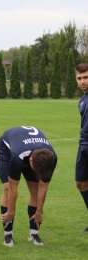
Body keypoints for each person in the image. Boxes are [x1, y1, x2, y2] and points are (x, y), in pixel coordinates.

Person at [0, 126, 57, 247]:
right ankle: (8, 235)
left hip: (30, 150)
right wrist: (11, 212)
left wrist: (39, 211)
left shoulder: (51, 158)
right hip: (7, 150)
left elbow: (43, 188)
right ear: (30, 161)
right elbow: (13, 188)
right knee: (8, 188)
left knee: (35, 190)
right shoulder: (17, 156)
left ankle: (34, 234)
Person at [75, 63, 88, 232]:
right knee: (81, 184)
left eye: (86, 77)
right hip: (83, 146)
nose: (83, 81)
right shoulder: (82, 101)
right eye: (79, 78)